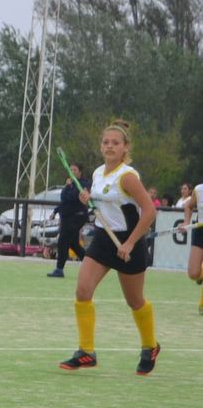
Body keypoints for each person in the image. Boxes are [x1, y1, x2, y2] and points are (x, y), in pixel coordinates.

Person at [57, 120, 160, 375]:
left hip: (129, 240)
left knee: (134, 301)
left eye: (115, 143)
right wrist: (88, 198)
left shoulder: (127, 177)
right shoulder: (98, 173)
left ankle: (150, 346)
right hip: (104, 238)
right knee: (83, 290)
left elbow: (149, 211)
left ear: (125, 147)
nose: (109, 146)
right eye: (106, 142)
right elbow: (103, 203)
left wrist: (131, 242)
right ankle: (86, 352)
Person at [48, 161, 89, 278]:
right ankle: (91, 265)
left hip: (76, 217)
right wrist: (56, 211)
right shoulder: (69, 184)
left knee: (63, 241)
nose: (72, 172)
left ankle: (59, 269)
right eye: (70, 170)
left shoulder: (84, 184)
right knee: (73, 244)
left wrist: (70, 186)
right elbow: (64, 198)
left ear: (80, 172)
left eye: (74, 170)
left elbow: (73, 197)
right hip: (67, 217)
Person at [181, 179, 203, 313]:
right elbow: (188, 206)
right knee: (193, 273)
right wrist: (186, 222)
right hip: (200, 230)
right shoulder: (199, 189)